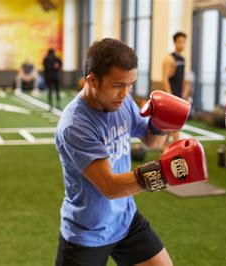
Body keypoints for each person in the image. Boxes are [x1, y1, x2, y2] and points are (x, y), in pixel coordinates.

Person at [54, 38, 208, 266]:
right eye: (118, 85)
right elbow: (110, 186)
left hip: (125, 219)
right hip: (87, 232)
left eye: (130, 85)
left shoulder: (122, 102)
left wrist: (160, 125)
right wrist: (164, 172)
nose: (125, 93)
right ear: (92, 80)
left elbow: (151, 142)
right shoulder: (75, 125)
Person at [162, 32, 188, 146]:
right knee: (175, 125)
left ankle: (165, 147)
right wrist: (170, 96)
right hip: (171, 96)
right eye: (180, 42)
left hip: (179, 95)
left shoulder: (182, 59)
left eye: (184, 42)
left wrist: (184, 94)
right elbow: (165, 79)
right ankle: (176, 148)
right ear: (175, 43)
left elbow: (182, 78)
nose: (182, 45)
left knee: (170, 124)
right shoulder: (169, 59)